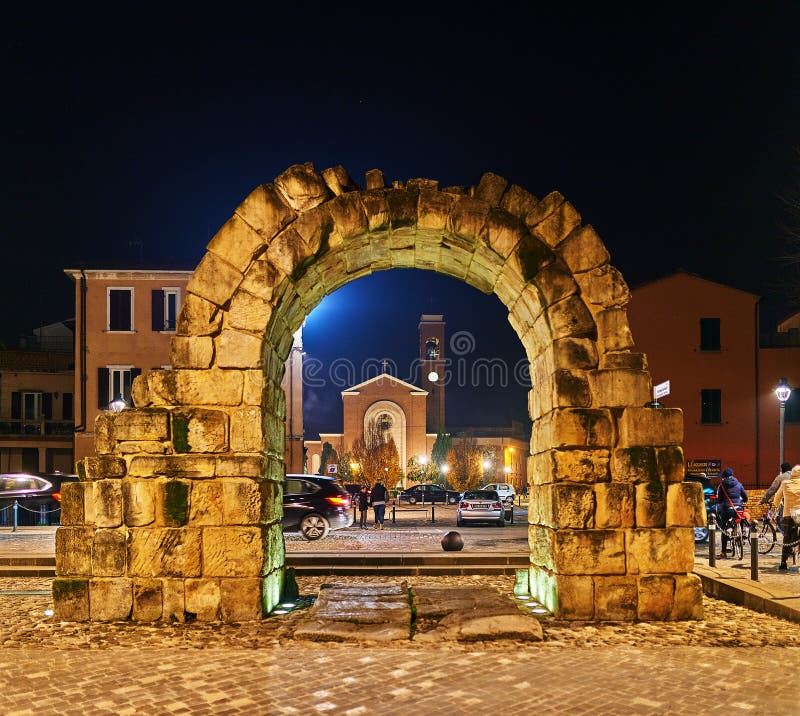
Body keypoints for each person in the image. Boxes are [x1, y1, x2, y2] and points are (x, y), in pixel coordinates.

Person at [715, 467, 748, 558]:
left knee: (724, 528)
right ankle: (741, 534)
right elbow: (745, 497)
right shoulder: (739, 484)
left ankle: (724, 552)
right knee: (739, 519)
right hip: (738, 508)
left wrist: (720, 503)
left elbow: (720, 499)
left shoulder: (721, 486)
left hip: (727, 509)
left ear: (724, 477)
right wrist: (742, 500)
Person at [772, 464, 800, 571]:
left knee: (787, 538)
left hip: (789, 514)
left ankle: (783, 562)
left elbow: (777, 497)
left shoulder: (785, 483)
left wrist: (776, 503)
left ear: (792, 474)